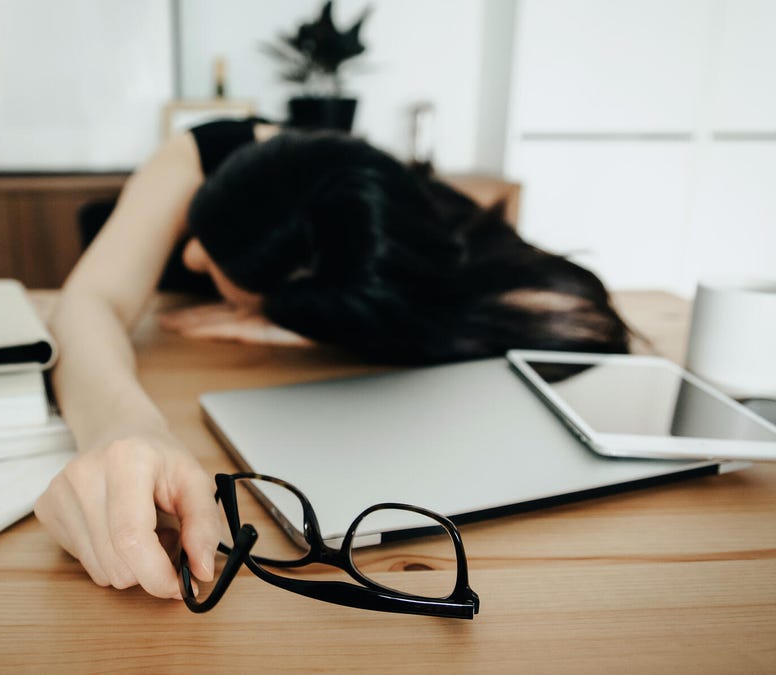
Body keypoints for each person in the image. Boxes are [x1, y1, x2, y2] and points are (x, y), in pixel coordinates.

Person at [32, 118, 629, 600]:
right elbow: (85, 304)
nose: (188, 256)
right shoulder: (204, 153)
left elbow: (582, 317)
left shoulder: (386, 220)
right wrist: (127, 427)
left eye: (219, 269)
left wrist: (307, 330)